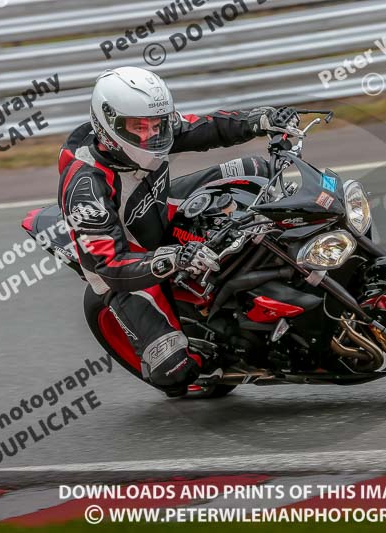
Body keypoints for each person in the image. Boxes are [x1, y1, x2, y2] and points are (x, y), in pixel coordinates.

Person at [57, 66, 299, 397]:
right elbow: (110, 267)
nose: (151, 136)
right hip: (127, 261)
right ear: (108, 124)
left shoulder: (152, 130)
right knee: (176, 371)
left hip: (158, 206)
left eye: (156, 125)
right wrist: (174, 258)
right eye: (138, 128)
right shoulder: (86, 188)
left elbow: (206, 129)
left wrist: (259, 120)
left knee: (254, 170)